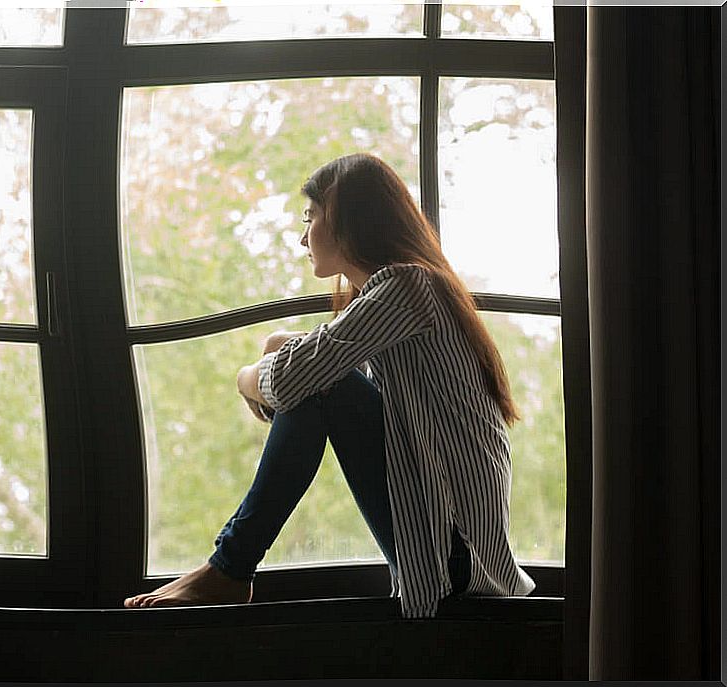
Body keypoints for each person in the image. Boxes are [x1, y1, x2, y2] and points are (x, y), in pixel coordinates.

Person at [123, 152, 536, 617]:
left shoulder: (406, 286)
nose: (303, 237)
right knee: (317, 377)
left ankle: (229, 568)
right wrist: (281, 346)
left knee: (320, 384)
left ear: (348, 218)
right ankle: (228, 569)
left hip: (456, 562)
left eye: (311, 216)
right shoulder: (407, 294)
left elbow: (295, 379)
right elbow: (319, 372)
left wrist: (246, 379)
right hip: (449, 556)